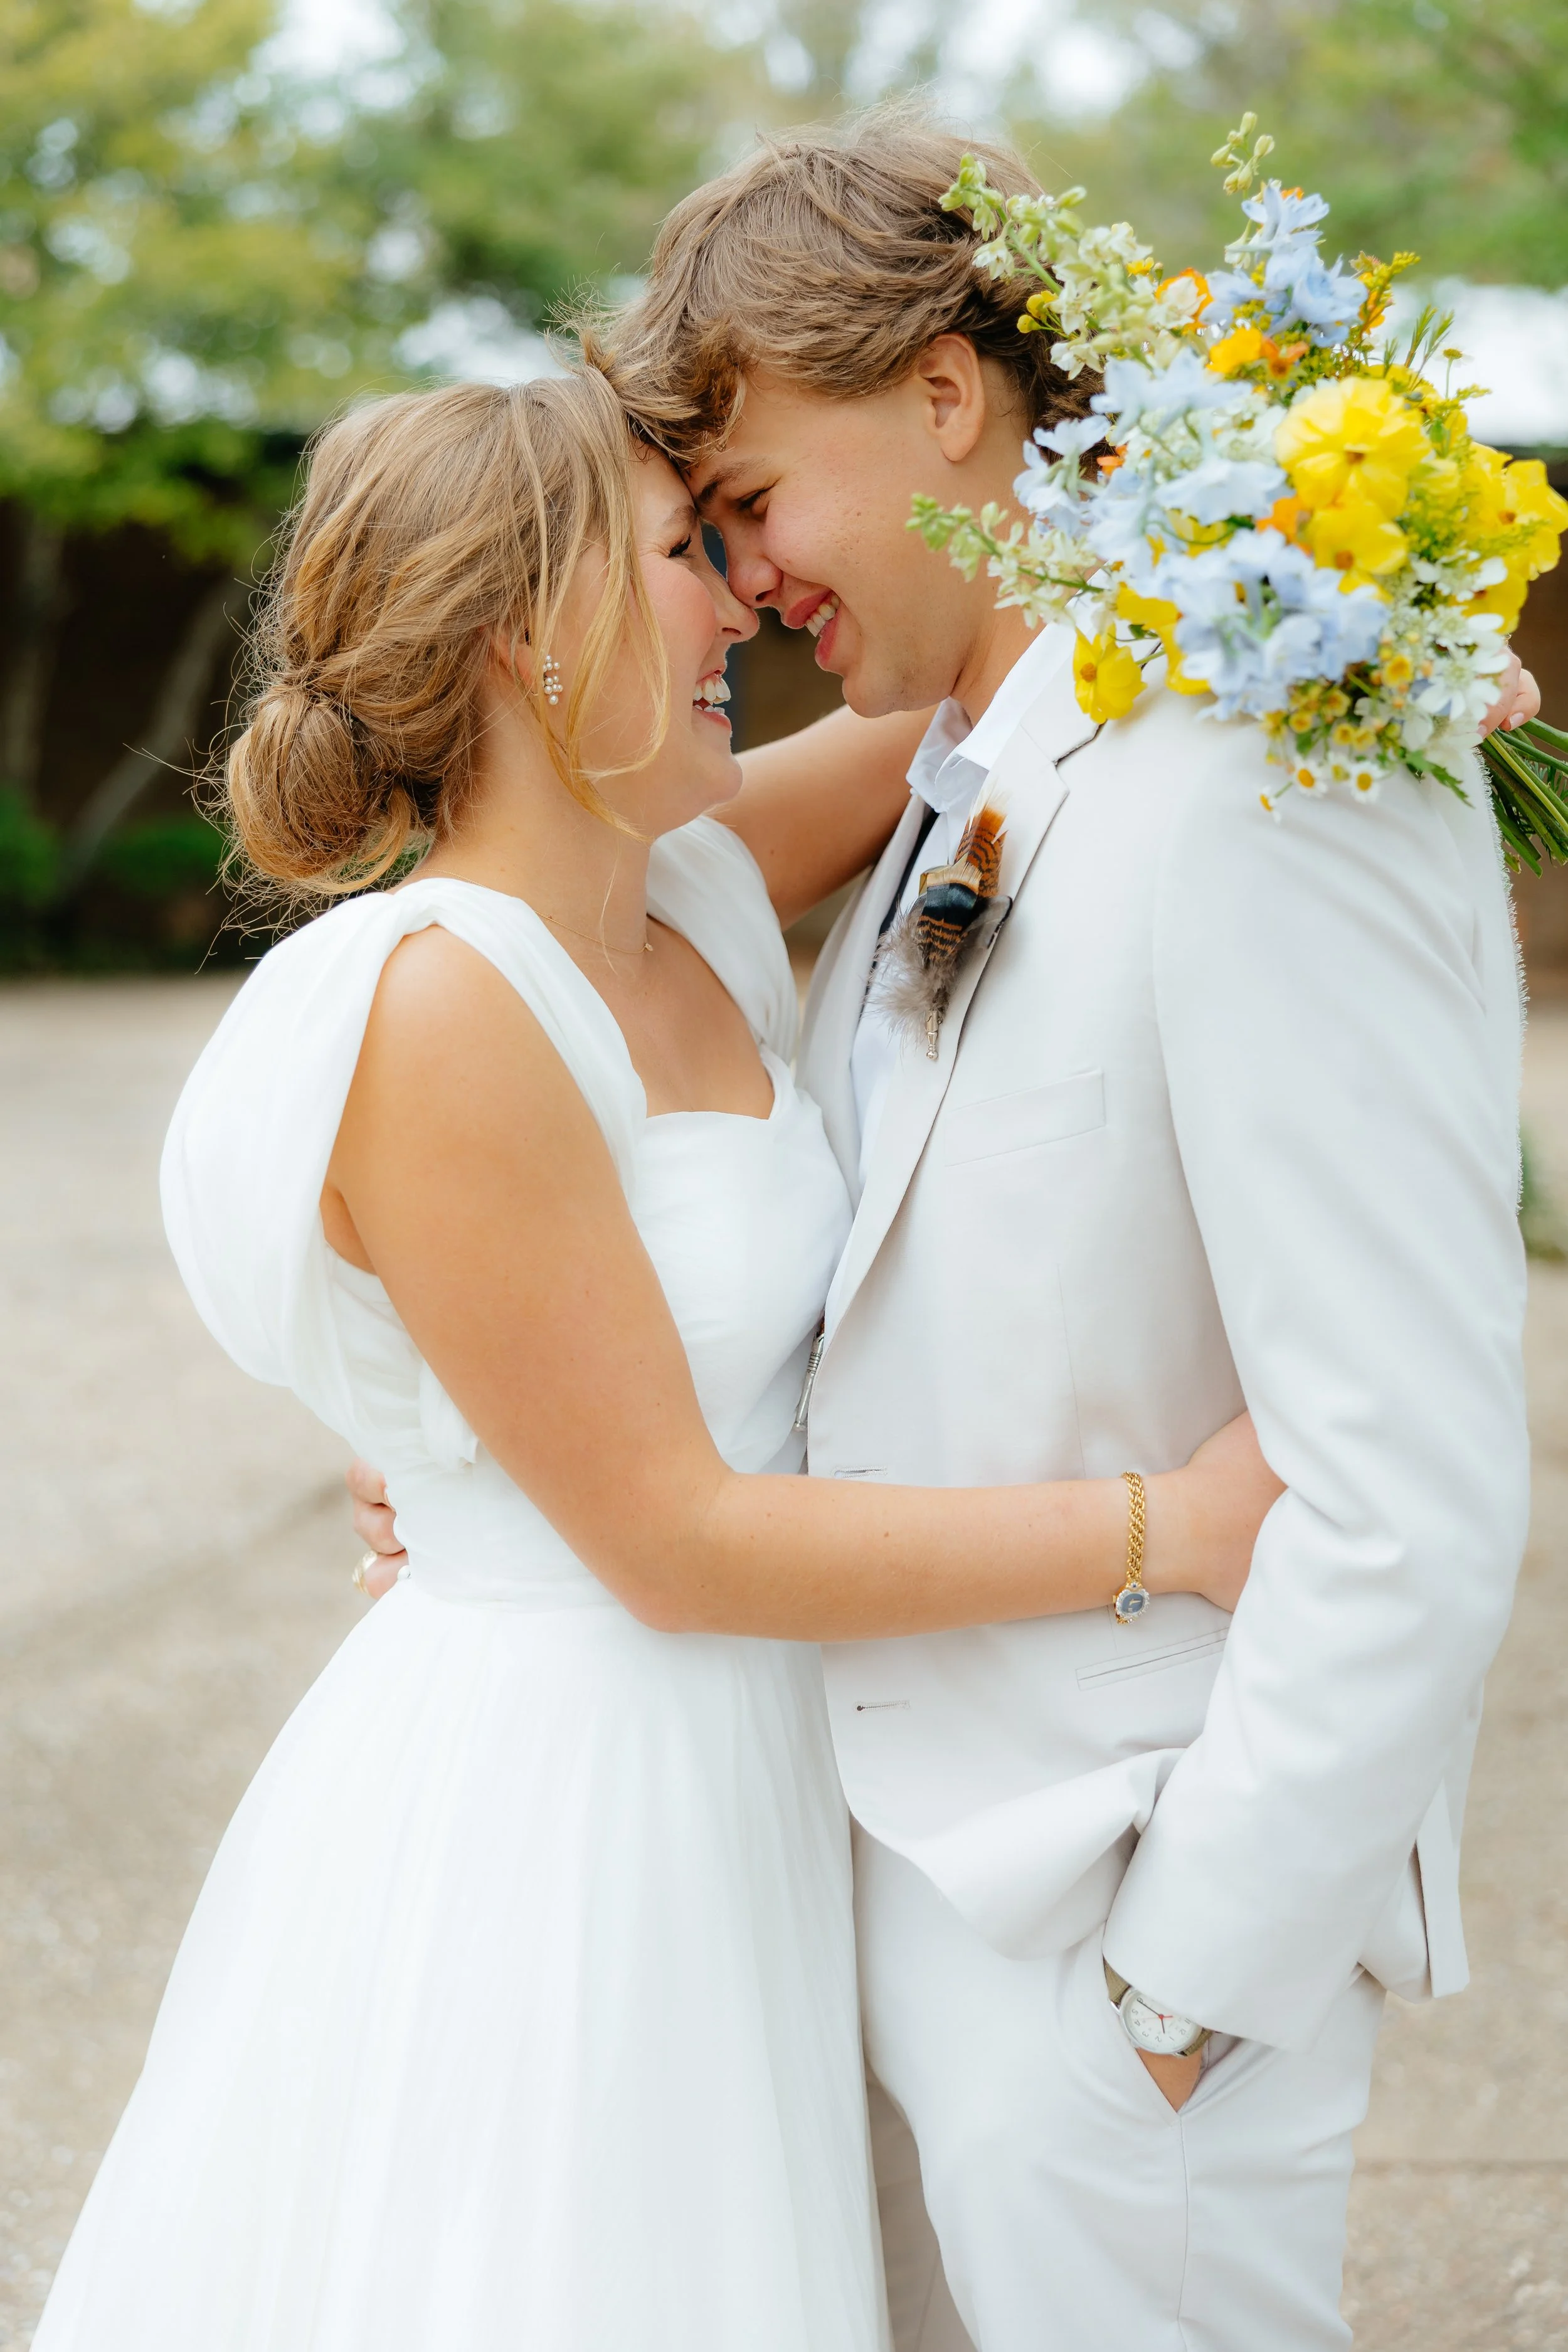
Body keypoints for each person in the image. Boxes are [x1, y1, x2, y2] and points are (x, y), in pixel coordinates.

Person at [31, 373, 1281, 2352]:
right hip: (570, 1802)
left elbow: (993, 696)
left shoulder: (678, 880)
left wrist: (1308, 625)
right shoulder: (443, 1005)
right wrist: (1174, 1526)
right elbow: (675, 1538)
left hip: (762, 1762)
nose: (742, 600)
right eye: (685, 554)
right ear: (531, 626)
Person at [569, 109, 1534, 2352]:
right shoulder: (975, 779)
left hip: (1121, 1936)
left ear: (941, 389)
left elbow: (1403, 1472)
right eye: (697, 529)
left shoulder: (1285, 768)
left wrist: (1179, 1986)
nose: (739, 576)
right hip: (884, 1889)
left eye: (747, 499)